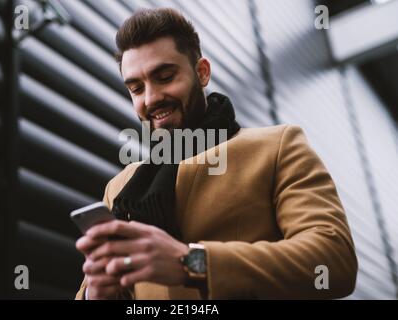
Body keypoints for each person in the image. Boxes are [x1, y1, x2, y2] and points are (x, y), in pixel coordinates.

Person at [75, 8, 357, 300]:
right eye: (136, 88)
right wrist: (96, 293)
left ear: (202, 72)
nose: (151, 98)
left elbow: (333, 260)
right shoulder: (119, 188)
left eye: (165, 76)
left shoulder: (277, 146)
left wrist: (191, 263)